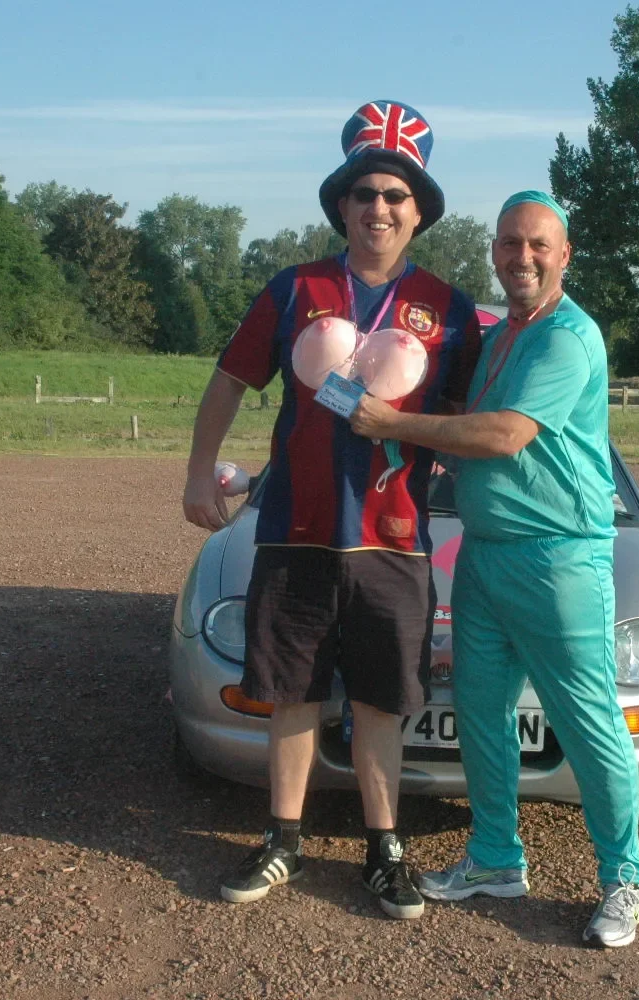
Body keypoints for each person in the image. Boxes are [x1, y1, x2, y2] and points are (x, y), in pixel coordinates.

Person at [181, 100, 483, 920]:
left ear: (418, 212)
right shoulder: (294, 288)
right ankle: (282, 840)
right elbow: (230, 380)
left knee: (384, 699)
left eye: (396, 195)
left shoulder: (450, 308)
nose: (379, 207)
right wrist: (200, 472)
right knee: (293, 692)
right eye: (364, 193)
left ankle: (385, 851)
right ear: (341, 206)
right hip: (296, 530)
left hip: (397, 540)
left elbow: (467, 423)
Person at [346, 190, 639, 947]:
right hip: (485, 552)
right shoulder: (501, 335)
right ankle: (494, 858)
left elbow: (503, 435)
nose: (523, 257)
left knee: (587, 721)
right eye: (510, 243)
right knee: (482, 712)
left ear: (564, 255)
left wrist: (392, 422)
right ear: (494, 252)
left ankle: (624, 878)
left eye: (538, 244)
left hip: (559, 558)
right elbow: (462, 422)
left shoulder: (566, 338)